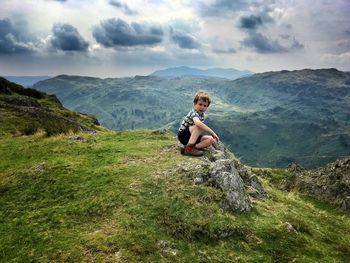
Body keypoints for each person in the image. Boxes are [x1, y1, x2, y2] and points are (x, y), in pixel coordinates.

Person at [177, 91, 220, 156]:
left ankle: (193, 148)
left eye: (205, 105)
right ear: (195, 104)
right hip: (183, 135)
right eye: (200, 104)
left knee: (211, 139)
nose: (202, 107)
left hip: (192, 137)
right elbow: (198, 124)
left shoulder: (201, 115)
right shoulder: (193, 113)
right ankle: (189, 148)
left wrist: (212, 136)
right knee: (199, 126)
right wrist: (212, 133)